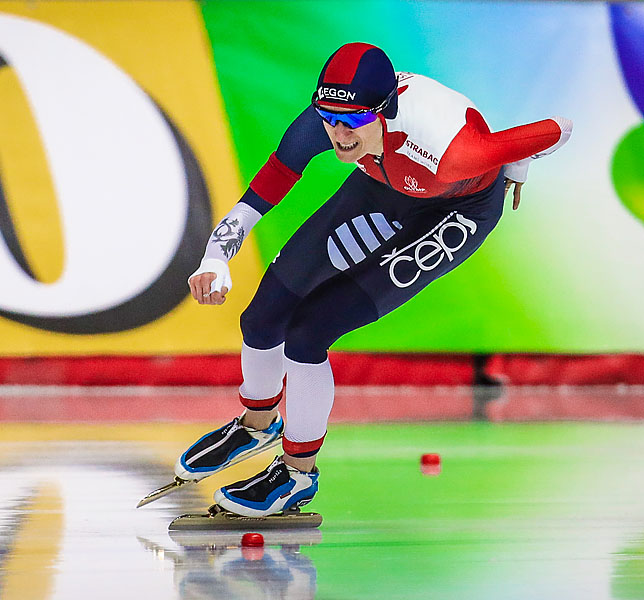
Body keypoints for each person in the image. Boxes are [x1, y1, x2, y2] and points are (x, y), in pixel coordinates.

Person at [173, 42, 572, 518]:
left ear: (386, 110)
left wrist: (516, 165)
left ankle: (298, 475)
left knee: (308, 334)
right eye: (328, 116)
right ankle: (256, 424)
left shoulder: (453, 152)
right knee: (262, 316)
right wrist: (215, 256)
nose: (339, 133)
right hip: (382, 186)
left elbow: (558, 128)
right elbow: (265, 188)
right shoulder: (329, 123)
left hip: (456, 208)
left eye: (353, 122)